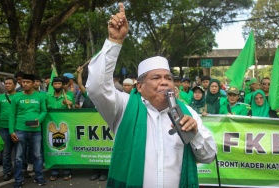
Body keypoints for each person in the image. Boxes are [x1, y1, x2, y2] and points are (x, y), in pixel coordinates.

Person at [86, 3, 217, 187]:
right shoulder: (123, 108)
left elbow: (209, 156)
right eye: (156, 77)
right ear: (139, 86)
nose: (164, 82)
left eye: (168, 78)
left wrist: (195, 134)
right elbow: (96, 87)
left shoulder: (187, 114)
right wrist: (114, 42)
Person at [9, 74, 47, 187]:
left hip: (36, 131)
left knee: (37, 155)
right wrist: (12, 131)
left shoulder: (40, 96)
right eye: (23, 82)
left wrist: (38, 120)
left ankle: (39, 178)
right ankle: (18, 180)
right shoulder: (16, 97)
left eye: (28, 82)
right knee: (19, 157)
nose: (25, 84)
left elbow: (44, 111)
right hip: (20, 130)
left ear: (32, 83)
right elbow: (12, 115)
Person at [45, 77, 73, 181]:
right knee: (53, 148)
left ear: (62, 85)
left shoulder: (68, 96)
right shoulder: (47, 97)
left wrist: (71, 104)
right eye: (55, 83)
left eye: (59, 83)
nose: (57, 85)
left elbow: (74, 111)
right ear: (52, 85)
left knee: (66, 148)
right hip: (50, 127)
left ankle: (67, 171)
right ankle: (54, 171)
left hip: (65, 127)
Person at [0, 76, 17, 181]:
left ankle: (20, 170)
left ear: (15, 85)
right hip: (4, 128)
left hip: (18, 128)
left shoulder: (19, 96)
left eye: (9, 83)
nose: (7, 85)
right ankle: (7, 171)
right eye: (6, 83)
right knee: (6, 152)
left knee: (19, 152)